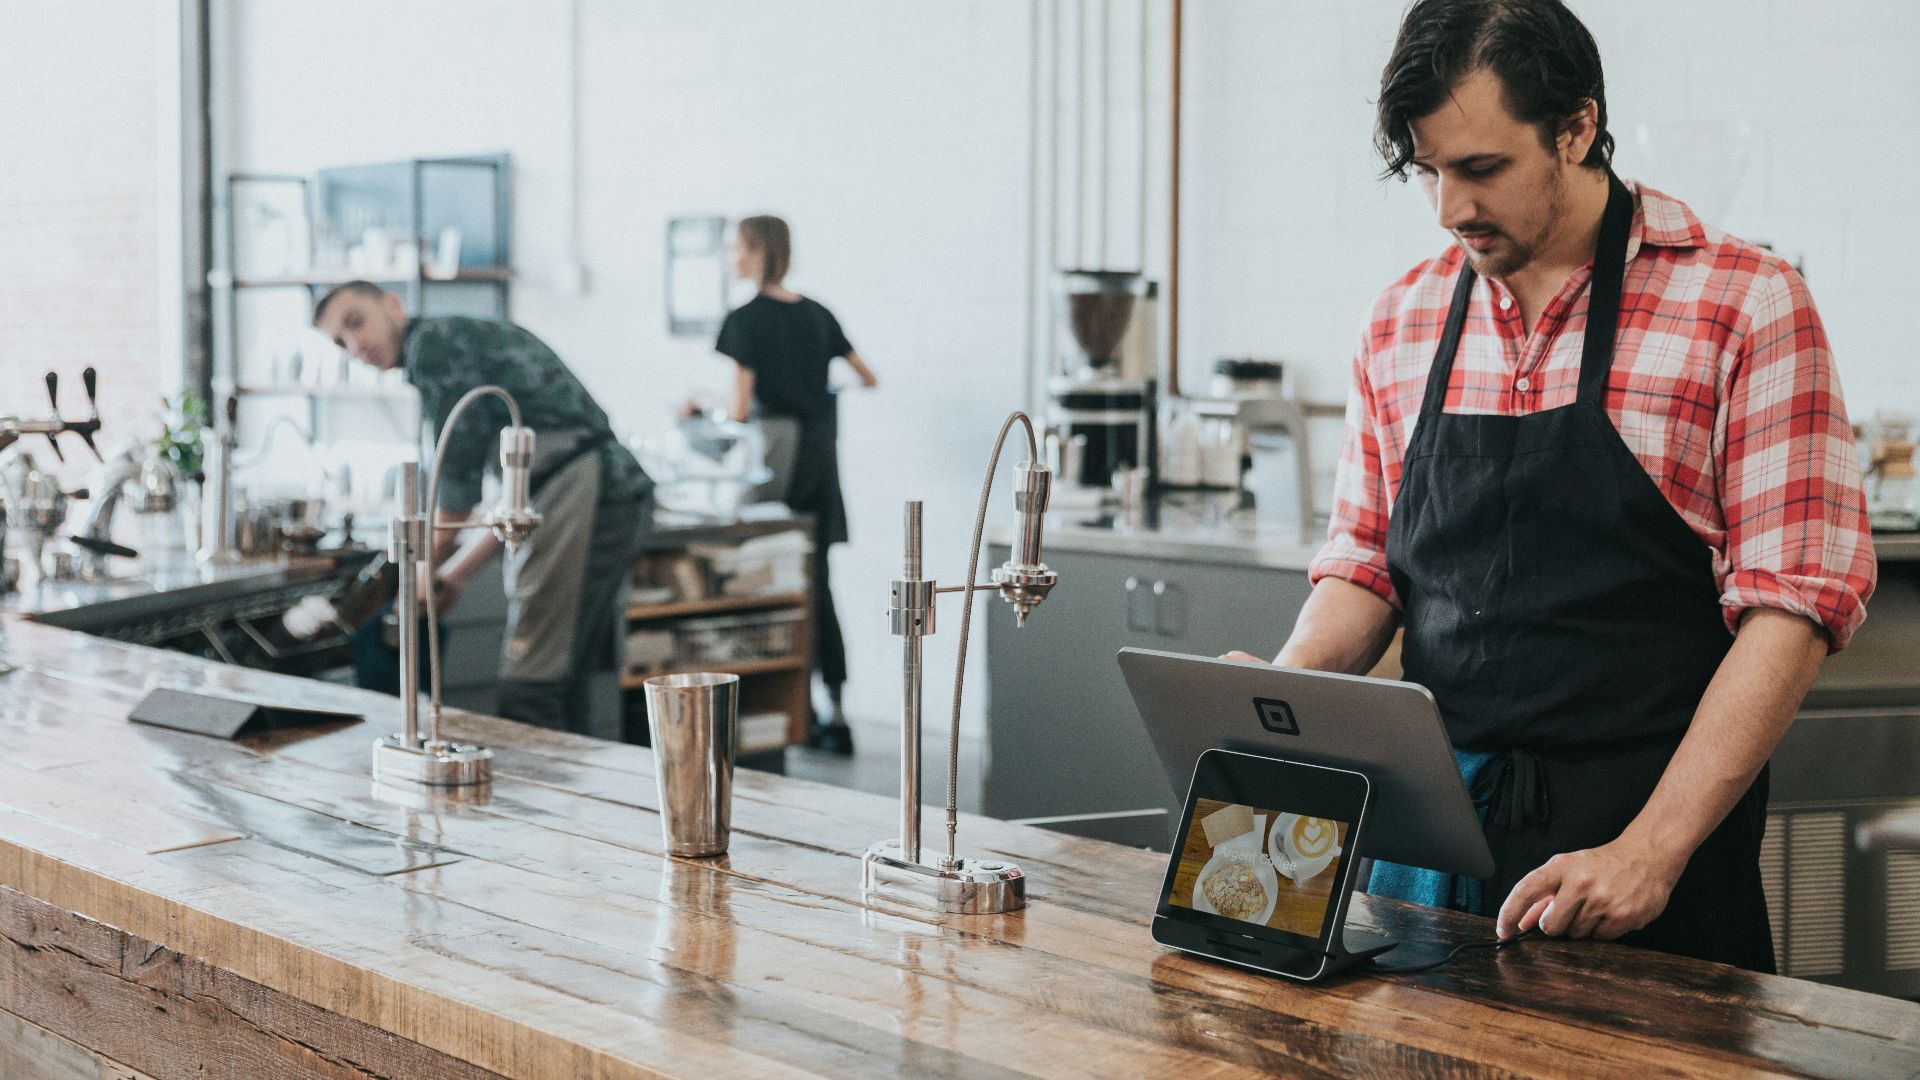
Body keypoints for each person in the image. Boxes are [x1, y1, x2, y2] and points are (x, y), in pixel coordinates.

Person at [1231, 0, 1875, 972]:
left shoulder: (1745, 305)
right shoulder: (1403, 319)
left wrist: (1649, 852)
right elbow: (1367, 567)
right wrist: (1276, 696)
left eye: (1481, 168)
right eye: (1429, 171)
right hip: (1429, 875)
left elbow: (1790, 613)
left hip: (1647, 875)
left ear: (1577, 126)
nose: (1451, 208)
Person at [313, 282, 653, 736]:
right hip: (593, 492)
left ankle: (545, 801)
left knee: (532, 683)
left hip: (593, 490)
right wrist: (453, 574)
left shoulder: (435, 346)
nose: (355, 345)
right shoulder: (453, 341)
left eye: (356, 322)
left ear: (392, 304)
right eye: (340, 342)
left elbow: (458, 491)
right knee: (558, 678)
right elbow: (516, 501)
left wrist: (419, 568)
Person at [715, 215, 877, 754]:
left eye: (736, 247)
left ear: (758, 250)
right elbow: (866, 376)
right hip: (820, 455)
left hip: (775, 456)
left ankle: (780, 710)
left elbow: (739, 411)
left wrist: (700, 409)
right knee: (817, 583)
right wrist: (819, 387)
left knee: (761, 577)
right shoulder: (818, 314)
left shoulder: (744, 319)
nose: (730, 256)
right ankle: (835, 709)